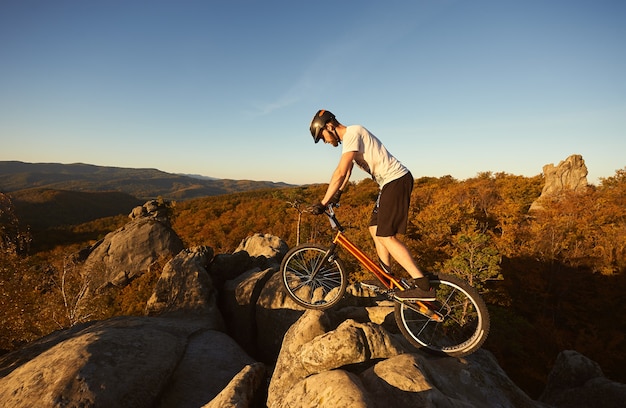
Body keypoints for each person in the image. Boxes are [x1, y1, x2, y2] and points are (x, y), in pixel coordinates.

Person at [308, 109, 435, 301]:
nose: (324, 141)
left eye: (322, 136)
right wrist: (338, 194)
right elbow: (348, 171)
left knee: (387, 236)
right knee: (375, 228)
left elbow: (341, 172)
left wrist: (323, 202)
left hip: (396, 180)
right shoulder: (351, 140)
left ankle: (423, 286)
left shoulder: (352, 132)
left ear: (329, 126)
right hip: (389, 183)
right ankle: (385, 275)